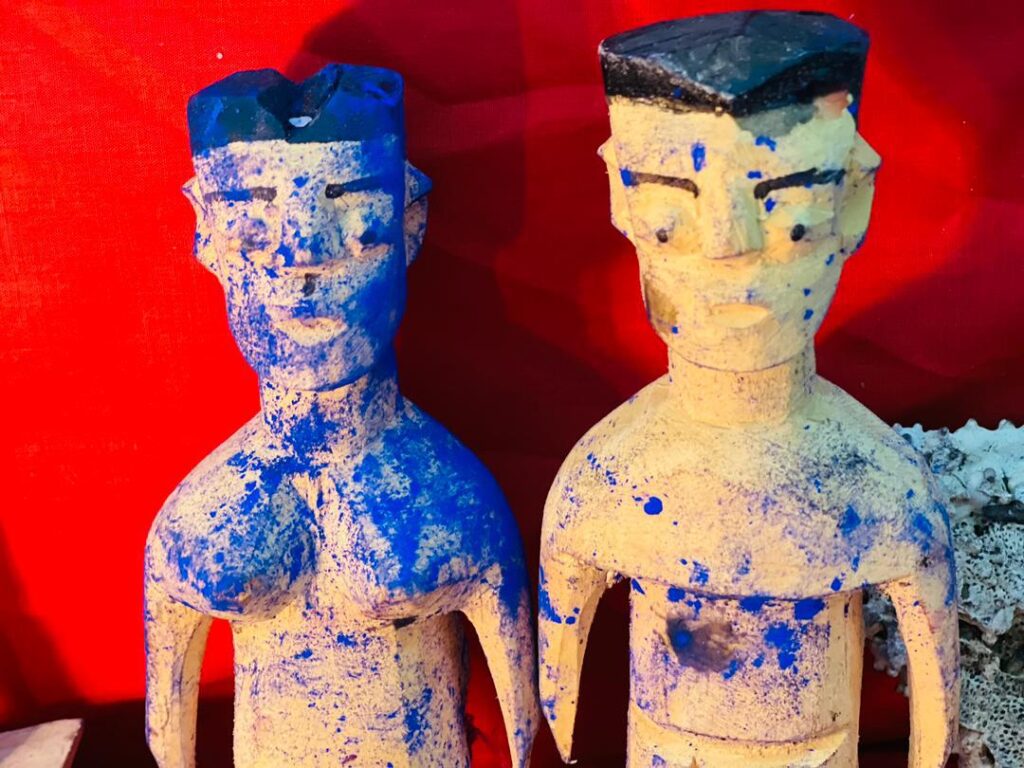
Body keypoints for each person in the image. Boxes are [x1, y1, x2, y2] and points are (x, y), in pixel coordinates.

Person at [538, 12, 958, 768]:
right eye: (670, 220)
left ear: (853, 200)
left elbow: (935, 721)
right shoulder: (603, 482)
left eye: (791, 216)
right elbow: (556, 704)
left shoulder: (883, 487)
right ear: (620, 200)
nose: (729, 248)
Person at [145, 64, 537, 768]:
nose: (303, 258)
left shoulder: (455, 496)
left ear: (410, 221)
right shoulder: (194, 517)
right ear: (207, 232)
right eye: (253, 225)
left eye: (357, 223)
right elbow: (165, 733)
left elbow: (527, 725)